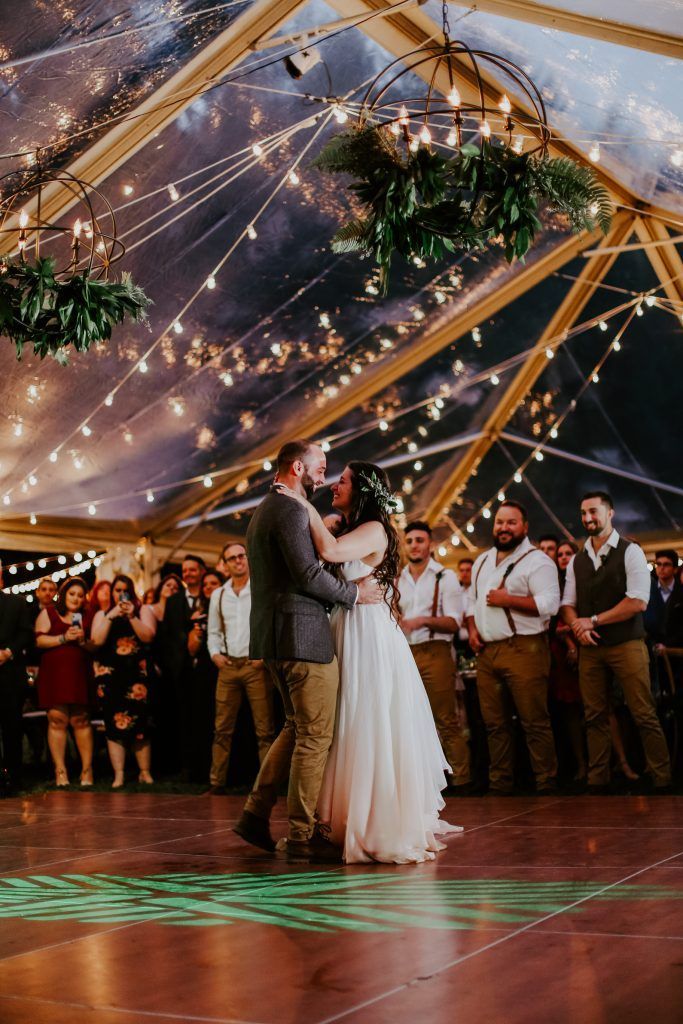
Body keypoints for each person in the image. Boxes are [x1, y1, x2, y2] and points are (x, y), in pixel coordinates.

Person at [275, 459, 462, 864]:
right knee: (342, 718)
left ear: (361, 489)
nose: (334, 486)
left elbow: (330, 551)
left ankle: (370, 818)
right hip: (346, 623)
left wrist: (301, 503)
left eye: (342, 481)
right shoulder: (350, 526)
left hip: (367, 633)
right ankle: (334, 816)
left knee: (365, 717)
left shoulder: (374, 529)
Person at [233, 439, 382, 865]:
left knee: (296, 729)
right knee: (314, 736)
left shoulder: (272, 507)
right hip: (300, 637)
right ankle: (300, 836)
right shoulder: (289, 508)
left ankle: (254, 815)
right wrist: (353, 593)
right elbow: (308, 574)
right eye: (320, 467)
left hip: (278, 638)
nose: (324, 476)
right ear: (297, 468)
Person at [561, 491, 671, 793]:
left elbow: (637, 602)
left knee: (643, 711)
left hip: (627, 643)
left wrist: (592, 620)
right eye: (584, 513)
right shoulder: (577, 561)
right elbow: (567, 603)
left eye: (594, 512)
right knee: (594, 715)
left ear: (610, 513)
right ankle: (599, 779)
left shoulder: (630, 551)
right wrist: (576, 625)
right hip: (591, 649)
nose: (587, 519)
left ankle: (662, 777)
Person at [466, 501, 561, 795]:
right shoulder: (482, 560)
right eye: (499, 522)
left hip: (525, 649)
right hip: (487, 652)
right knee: (494, 724)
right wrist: (472, 629)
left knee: (534, 721)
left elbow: (550, 605)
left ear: (525, 527)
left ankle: (546, 783)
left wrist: (511, 600)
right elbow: (472, 600)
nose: (503, 528)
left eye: (511, 522)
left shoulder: (539, 562)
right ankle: (501, 784)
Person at [397, 521, 471, 792]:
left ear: (430, 544)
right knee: (409, 721)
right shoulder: (398, 577)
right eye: (410, 541)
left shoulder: (445, 576)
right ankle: (421, 782)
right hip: (404, 654)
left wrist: (422, 621)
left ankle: (462, 779)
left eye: (420, 540)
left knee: (445, 719)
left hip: (436, 651)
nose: (415, 545)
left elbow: (454, 623)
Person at [207, 545, 275, 794]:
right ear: (224, 564)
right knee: (222, 729)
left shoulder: (260, 587)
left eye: (241, 556)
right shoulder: (219, 594)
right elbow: (213, 630)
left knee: (264, 729)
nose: (238, 561)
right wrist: (215, 654)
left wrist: (264, 656)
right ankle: (217, 782)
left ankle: (267, 786)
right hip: (228, 666)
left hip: (254, 664)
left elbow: (270, 623)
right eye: (232, 558)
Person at [91, 574, 157, 788]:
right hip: (110, 676)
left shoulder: (142, 610)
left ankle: (144, 772)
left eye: (124, 589)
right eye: (117, 590)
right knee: (113, 726)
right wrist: (111, 614)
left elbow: (148, 637)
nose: (120, 593)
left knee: (140, 724)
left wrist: (131, 617)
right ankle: (118, 774)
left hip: (136, 676)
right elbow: (97, 640)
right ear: (112, 592)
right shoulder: (102, 613)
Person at [34, 577, 94, 787]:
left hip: (79, 674)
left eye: (80, 595)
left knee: (81, 720)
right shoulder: (49, 613)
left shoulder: (88, 616)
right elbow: (39, 640)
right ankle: (61, 771)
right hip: (55, 675)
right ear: (64, 594)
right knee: (57, 719)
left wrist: (82, 641)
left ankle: (87, 771)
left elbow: (95, 646)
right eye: (72, 594)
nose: (76, 598)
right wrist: (63, 638)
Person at [162, 555, 207, 777]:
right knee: (184, 719)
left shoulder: (210, 595)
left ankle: (206, 765)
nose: (188, 573)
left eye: (192, 570)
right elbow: (168, 635)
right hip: (181, 668)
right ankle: (187, 767)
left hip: (208, 668)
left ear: (201, 571)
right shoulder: (173, 601)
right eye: (185, 570)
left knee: (206, 717)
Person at [549, 541, 585, 783]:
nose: (563, 557)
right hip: (560, 654)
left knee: (596, 709)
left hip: (589, 643)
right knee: (569, 710)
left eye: (568, 553)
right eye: (560, 554)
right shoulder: (555, 583)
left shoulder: (582, 580)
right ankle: (579, 765)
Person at [186, 568, 227, 783]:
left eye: (214, 583)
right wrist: (196, 632)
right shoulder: (198, 612)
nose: (209, 587)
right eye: (206, 584)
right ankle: (203, 771)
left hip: (225, 665)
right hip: (204, 669)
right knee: (204, 719)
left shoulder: (229, 606)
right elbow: (191, 649)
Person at [0, 560, 33, 795]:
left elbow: (26, 633)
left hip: (10, 676)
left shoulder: (16, 603)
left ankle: (15, 778)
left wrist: (7, 652)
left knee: (12, 728)